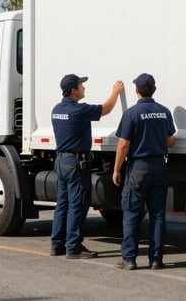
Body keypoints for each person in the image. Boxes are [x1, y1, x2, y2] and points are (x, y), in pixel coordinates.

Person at [50, 74, 124, 259]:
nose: (84, 88)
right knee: (77, 205)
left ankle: (56, 245)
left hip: (61, 162)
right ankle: (74, 248)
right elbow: (105, 109)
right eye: (81, 85)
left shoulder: (56, 109)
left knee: (62, 205)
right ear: (74, 91)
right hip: (76, 164)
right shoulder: (78, 111)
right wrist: (115, 92)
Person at [113, 73, 176, 270]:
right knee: (157, 215)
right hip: (159, 166)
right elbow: (170, 140)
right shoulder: (164, 111)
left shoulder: (131, 113)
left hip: (138, 168)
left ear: (136, 90)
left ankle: (129, 259)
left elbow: (123, 144)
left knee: (132, 213)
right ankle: (156, 259)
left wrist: (116, 169)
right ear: (154, 90)